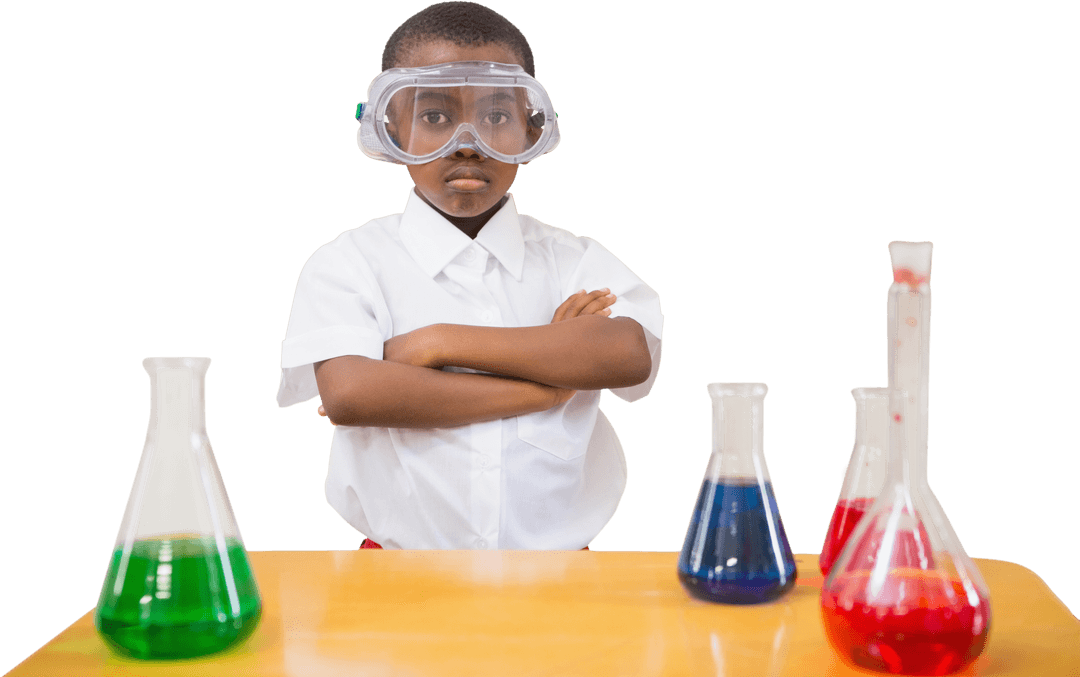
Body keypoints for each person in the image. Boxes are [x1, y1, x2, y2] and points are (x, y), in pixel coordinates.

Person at [276, 1, 663, 550]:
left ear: (532, 129)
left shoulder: (572, 257)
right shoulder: (349, 260)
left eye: (496, 117)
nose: (466, 142)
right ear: (392, 129)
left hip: (563, 575)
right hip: (393, 574)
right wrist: (546, 388)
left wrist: (438, 342)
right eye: (434, 117)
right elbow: (353, 394)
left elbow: (625, 352)